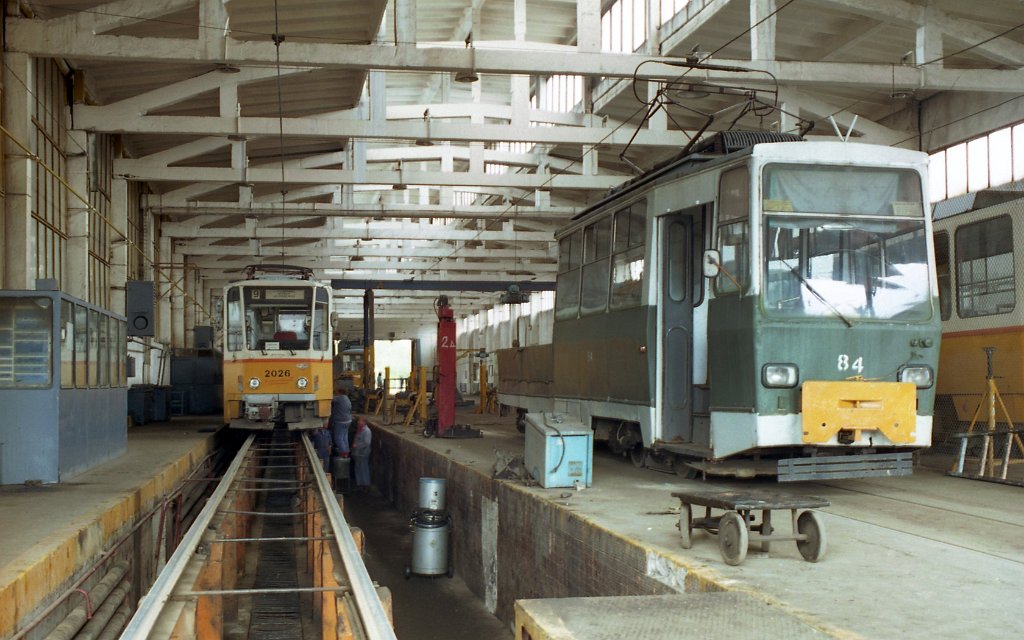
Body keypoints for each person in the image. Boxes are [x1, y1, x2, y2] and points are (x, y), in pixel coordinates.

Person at [329, 387, 352, 458]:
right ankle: (346, 451)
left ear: (339, 392)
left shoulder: (339, 398)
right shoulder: (347, 398)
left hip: (341, 421)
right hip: (348, 420)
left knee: (338, 438)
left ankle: (343, 452)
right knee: (344, 437)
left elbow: (329, 398)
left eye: (336, 392)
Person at [351, 416, 372, 490]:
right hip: (357, 453)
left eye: (360, 421)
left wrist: (356, 446)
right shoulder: (360, 430)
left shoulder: (366, 431)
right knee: (358, 468)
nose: (358, 422)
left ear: (364, 422)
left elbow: (366, 443)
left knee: (363, 468)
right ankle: (360, 483)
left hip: (362, 453)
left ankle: (365, 484)